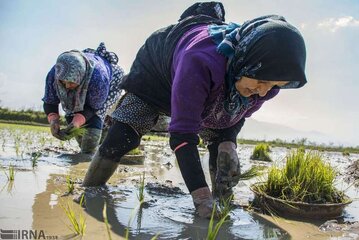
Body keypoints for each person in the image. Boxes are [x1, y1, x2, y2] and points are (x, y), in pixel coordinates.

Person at [82, 2, 307, 218]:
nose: (264, 91)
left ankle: (222, 204)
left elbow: (236, 116)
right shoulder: (199, 60)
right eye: (262, 80)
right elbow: (182, 135)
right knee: (125, 135)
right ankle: (89, 192)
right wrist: (200, 198)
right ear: (246, 61)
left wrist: (229, 141)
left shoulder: (265, 84)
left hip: (216, 83)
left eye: (275, 84)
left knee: (222, 149)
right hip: (156, 74)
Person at [42, 43, 124, 154]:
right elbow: (50, 101)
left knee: (93, 129)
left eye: (71, 82)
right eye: (63, 82)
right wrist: (53, 120)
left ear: (80, 76)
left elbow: (93, 107)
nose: (66, 86)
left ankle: (102, 139)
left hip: (112, 79)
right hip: (86, 75)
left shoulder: (99, 77)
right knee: (74, 121)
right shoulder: (55, 74)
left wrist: (77, 122)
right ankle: (87, 149)